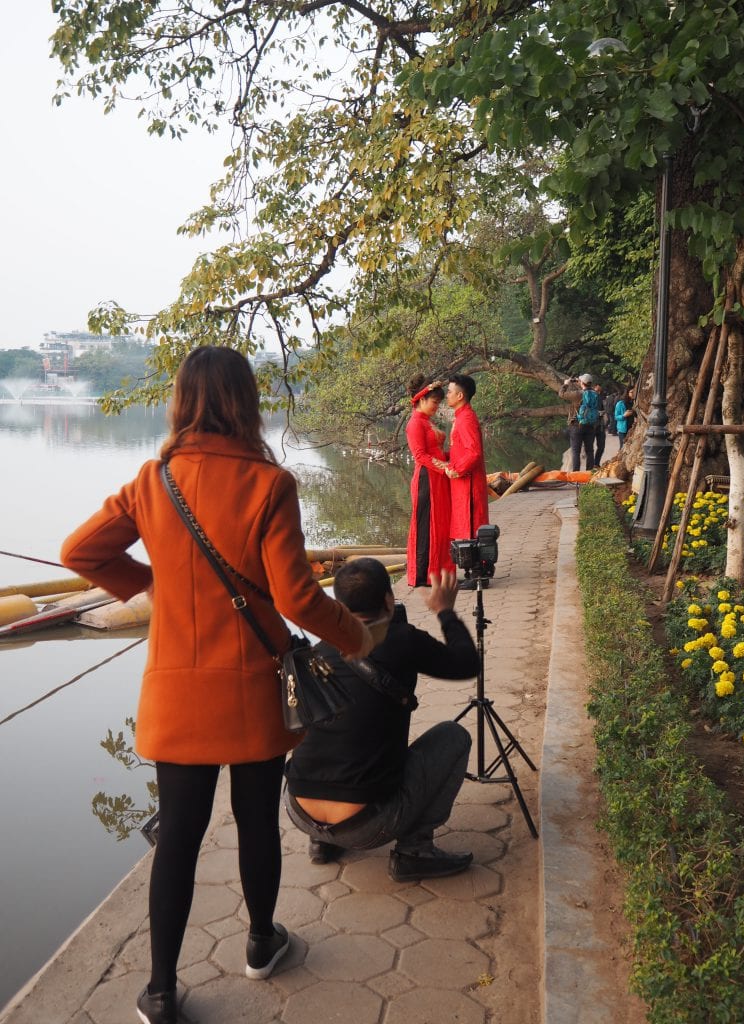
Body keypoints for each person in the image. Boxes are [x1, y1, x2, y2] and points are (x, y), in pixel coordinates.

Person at [60, 346, 373, 1024]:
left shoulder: (153, 479)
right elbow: (295, 597)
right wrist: (355, 634)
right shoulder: (269, 484)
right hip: (252, 688)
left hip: (175, 693)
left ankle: (162, 990)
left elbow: (78, 552)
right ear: (245, 402)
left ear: (181, 400)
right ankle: (261, 943)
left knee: (178, 833)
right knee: (257, 820)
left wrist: (149, 586)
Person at [284, 559, 479, 881]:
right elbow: (467, 663)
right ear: (389, 600)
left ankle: (321, 842)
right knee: (453, 737)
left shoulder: (317, 649)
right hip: (368, 826)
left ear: (339, 606)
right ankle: (414, 852)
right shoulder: (403, 640)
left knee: (329, 737)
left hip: (298, 810)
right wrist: (444, 611)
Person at [433, 375, 489, 583]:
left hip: (468, 482)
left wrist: (456, 469)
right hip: (463, 482)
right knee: (467, 526)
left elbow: (474, 453)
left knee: (472, 526)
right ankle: (474, 571)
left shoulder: (466, 419)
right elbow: (462, 450)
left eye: (449, 392)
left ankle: (478, 574)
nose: (446, 395)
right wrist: (445, 459)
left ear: (460, 395)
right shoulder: (462, 416)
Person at [405, 374, 453, 588]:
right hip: (427, 478)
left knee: (440, 525)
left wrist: (454, 456)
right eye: (434, 402)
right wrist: (445, 467)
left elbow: (437, 451)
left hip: (439, 478)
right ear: (421, 400)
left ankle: (438, 571)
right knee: (425, 526)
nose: (437, 406)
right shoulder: (415, 423)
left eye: (438, 402)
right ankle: (421, 576)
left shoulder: (426, 422)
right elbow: (420, 456)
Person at [558, 372, 598, 471]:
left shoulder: (578, 394)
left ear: (582, 383)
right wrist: (579, 382)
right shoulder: (595, 393)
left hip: (577, 425)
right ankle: (589, 474)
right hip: (591, 425)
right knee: (590, 450)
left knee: (576, 451)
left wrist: (566, 384)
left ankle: (576, 474)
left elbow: (561, 394)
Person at [593, 384, 607, 467]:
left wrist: (602, 412)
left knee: (601, 446)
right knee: (590, 447)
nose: (599, 387)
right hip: (591, 425)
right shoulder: (587, 396)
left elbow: (605, 409)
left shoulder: (601, 397)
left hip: (600, 425)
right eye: (597, 385)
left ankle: (596, 463)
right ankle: (591, 465)